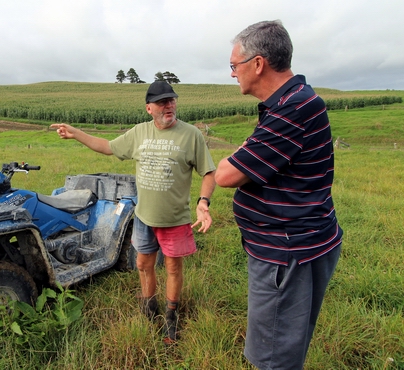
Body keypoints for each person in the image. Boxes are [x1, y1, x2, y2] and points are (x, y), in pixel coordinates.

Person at [215, 20, 343, 369]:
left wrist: (237, 155)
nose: (232, 74)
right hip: (298, 244)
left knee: (273, 358)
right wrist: (243, 153)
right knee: (286, 346)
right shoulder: (292, 101)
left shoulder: (291, 109)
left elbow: (226, 174)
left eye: (234, 65)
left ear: (258, 64)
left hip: (287, 254)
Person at [51, 81, 216, 344]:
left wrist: (203, 202)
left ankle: (171, 320)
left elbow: (209, 172)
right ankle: (150, 310)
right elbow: (107, 146)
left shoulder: (190, 135)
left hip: (174, 219)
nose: (169, 105)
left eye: (172, 100)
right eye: (162, 102)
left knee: (173, 268)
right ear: (149, 108)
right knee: (142, 264)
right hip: (143, 217)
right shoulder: (139, 133)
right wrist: (76, 133)